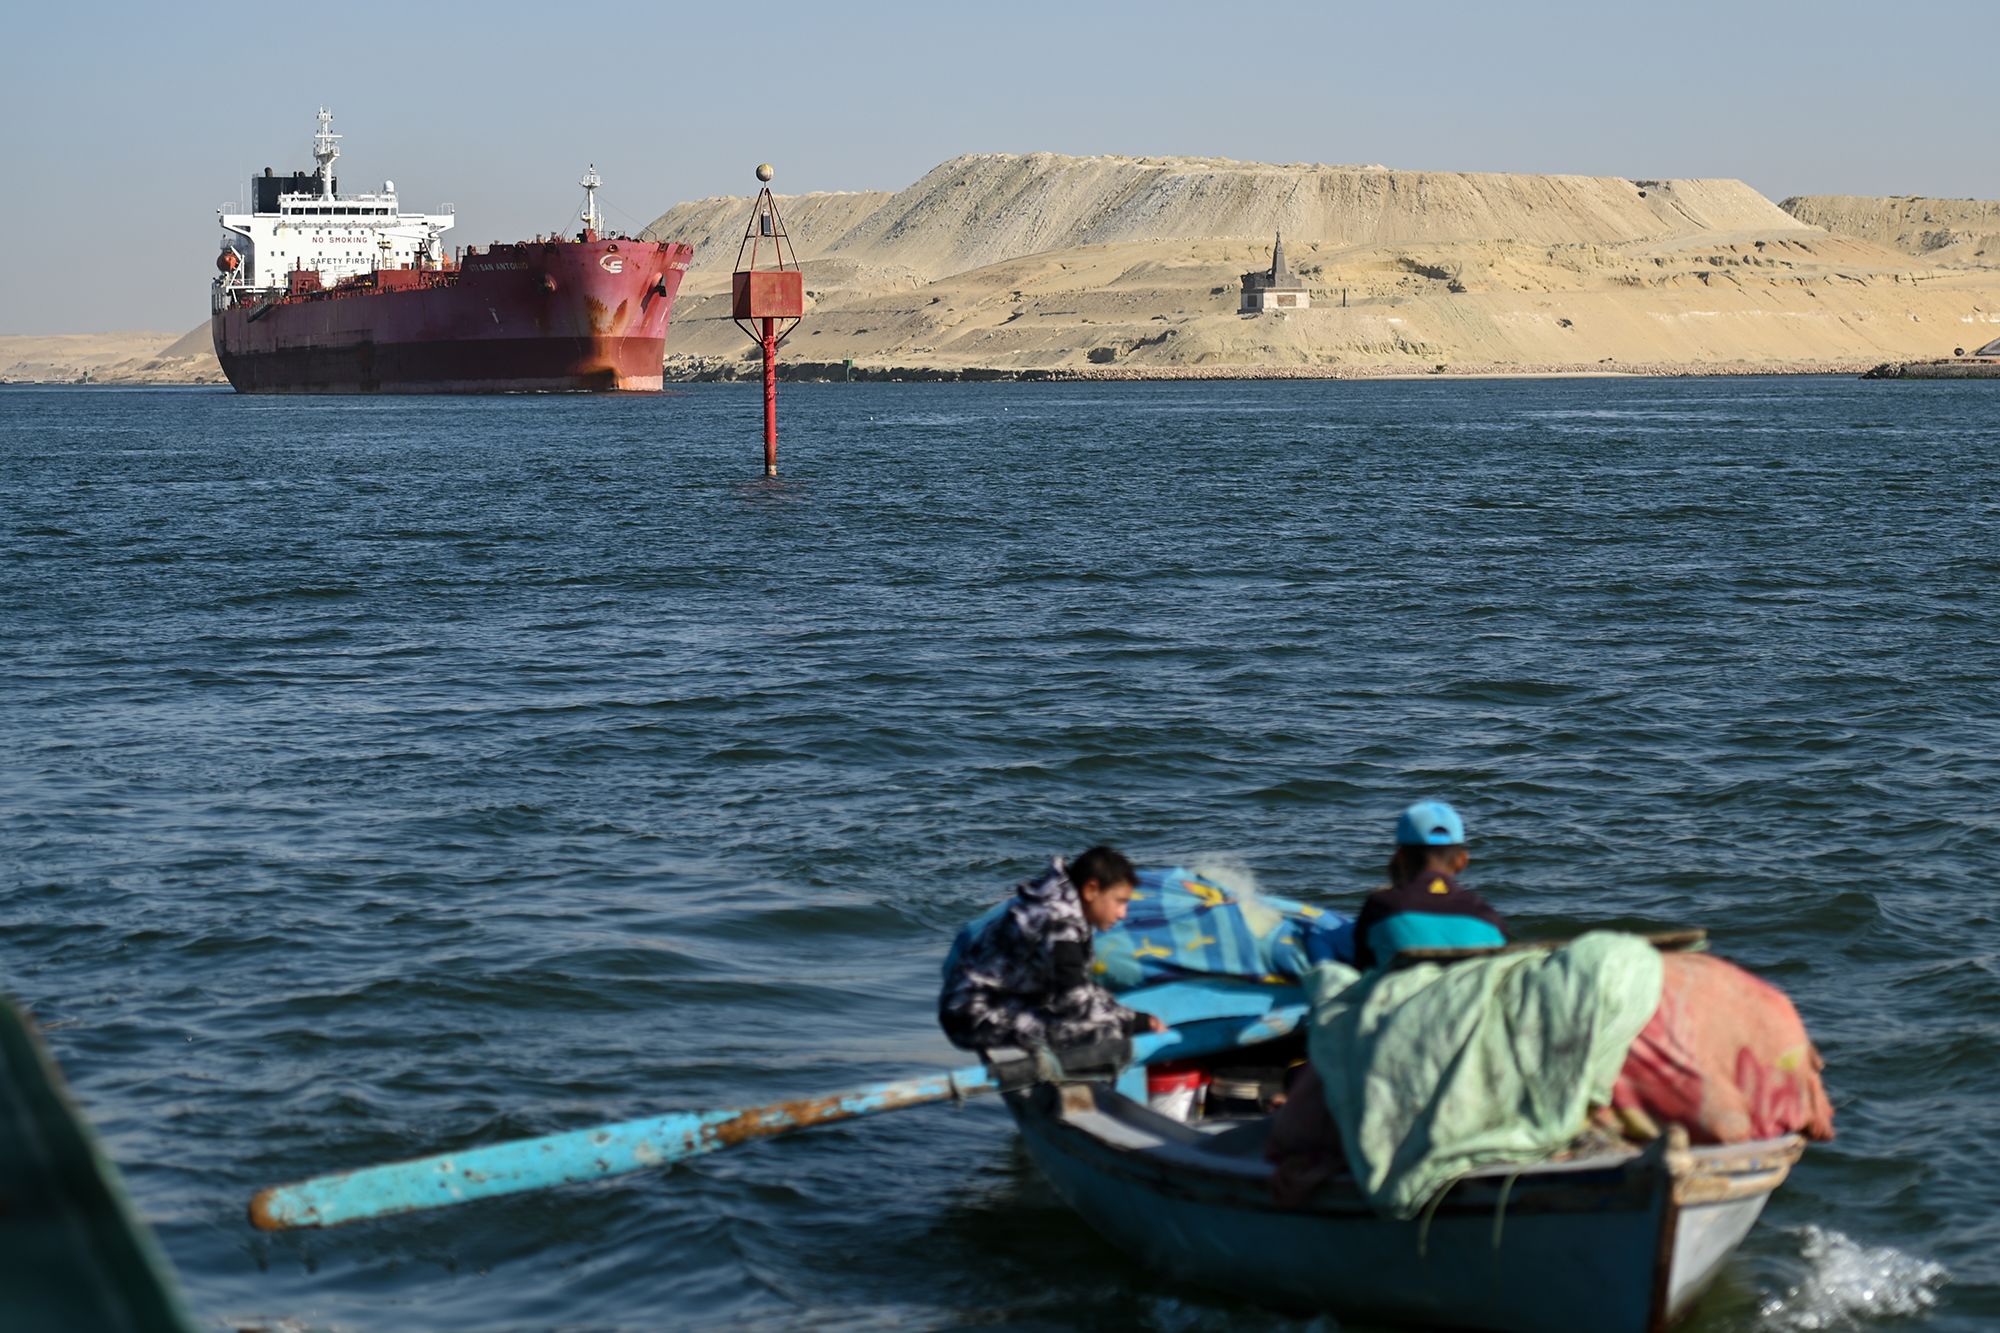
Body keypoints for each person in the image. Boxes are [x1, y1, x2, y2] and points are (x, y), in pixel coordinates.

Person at [940, 846, 1168, 1052]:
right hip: (972, 1014)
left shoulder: (1062, 904)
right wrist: (1135, 1023)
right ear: (1091, 890)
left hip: (992, 1002)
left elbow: (1079, 989)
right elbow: (1075, 1001)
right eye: (1120, 901)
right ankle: (1078, 1090)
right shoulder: (1060, 924)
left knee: (1100, 1020)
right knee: (1101, 1032)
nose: (1123, 913)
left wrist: (1132, 1017)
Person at [1353, 800, 1507, 970]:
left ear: (1400, 857)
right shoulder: (1486, 916)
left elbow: (1361, 966)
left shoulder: (1380, 907)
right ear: (1462, 860)